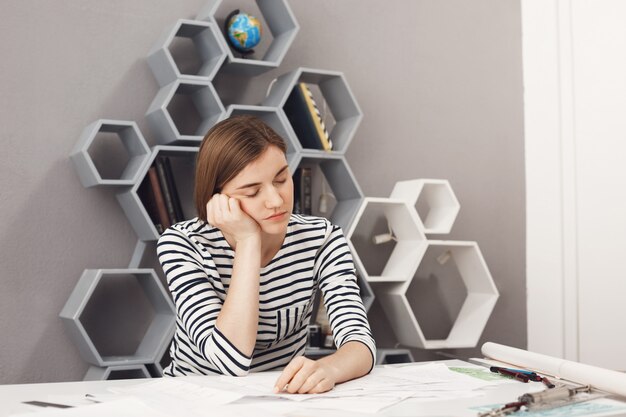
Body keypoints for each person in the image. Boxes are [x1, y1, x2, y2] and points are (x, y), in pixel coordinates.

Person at [157, 115, 376, 394]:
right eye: (252, 192)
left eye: (281, 179)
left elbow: (360, 343)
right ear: (217, 197)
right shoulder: (182, 244)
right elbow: (230, 360)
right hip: (192, 401)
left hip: (281, 400)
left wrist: (329, 369)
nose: (276, 200)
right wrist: (248, 241)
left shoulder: (323, 238)